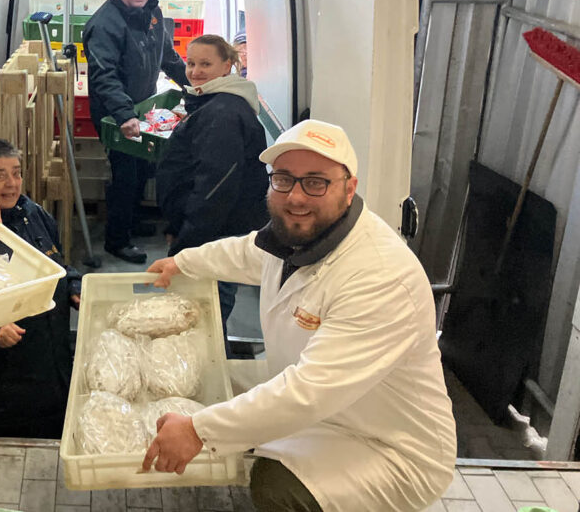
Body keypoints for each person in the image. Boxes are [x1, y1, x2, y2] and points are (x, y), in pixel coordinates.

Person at [142, 119, 455, 512]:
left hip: (388, 446)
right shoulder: (295, 236)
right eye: (284, 179)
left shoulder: (380, 277)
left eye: (316, 182)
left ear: (349, 188)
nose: (296, 196)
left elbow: (309, 392)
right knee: (210, 381)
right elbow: (245, 254)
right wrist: (182, 263)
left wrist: (197, 431)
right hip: (334, 409)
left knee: (276, 485)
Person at [0, 138, 82, 438]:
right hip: (2, 398)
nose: (11, 183)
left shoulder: (35, 215)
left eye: (17, 173)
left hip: (52, 374)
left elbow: (59, 264)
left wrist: (72, 284)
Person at [156, 34, 268, 329]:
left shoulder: (224, 113)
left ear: (228, 65)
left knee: (205, 318)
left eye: (206, 63)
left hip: (214, 234)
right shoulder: (212, 102)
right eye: (191, 63)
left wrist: (187, 244)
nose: (195, 71)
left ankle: (212, 369)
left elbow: (214, 188)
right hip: (207, 230)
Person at [82, 0, 188, 265]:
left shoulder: (152, 13)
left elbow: (167, 57)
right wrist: (125, 115)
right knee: (125, 175)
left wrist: (193, 84)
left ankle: (131, 221)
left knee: (144, 169)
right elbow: (105, 76)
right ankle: (117, 240)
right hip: (116, 115)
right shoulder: (104, 24)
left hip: (145, 106)